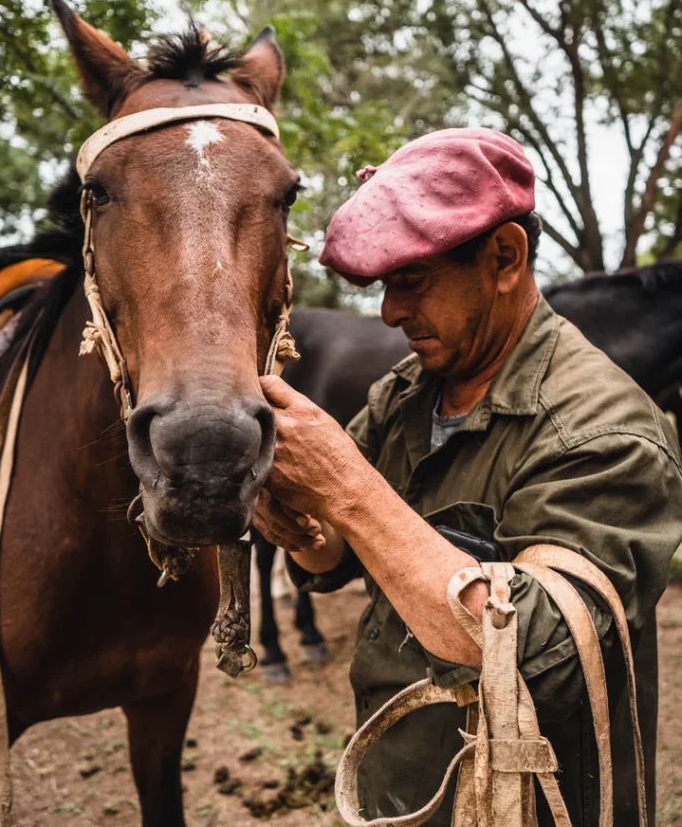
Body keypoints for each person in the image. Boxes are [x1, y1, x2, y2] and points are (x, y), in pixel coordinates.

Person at [254, 128, 682, 827]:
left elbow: (537, 658)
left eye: (412, 281)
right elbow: (334, 552)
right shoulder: (406, 393)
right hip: (407, 789)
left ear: (504, 258)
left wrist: (346, 489)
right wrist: (299, 521)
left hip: (538, 805)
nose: (390, 313)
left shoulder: (605, 430)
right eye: (385, 285)